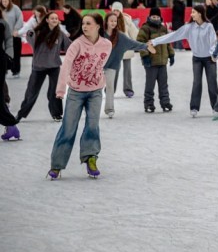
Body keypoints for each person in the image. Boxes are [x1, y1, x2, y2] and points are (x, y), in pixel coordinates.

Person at [47, 13, 112, 180]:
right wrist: (61, 90)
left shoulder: (107, 44)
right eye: (83, 23)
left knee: (92, 126)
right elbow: (66, 66)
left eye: (88, 23)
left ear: (98, 26)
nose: (84, 26)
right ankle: (56, 165)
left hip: (95, 92)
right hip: (76, 92)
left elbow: (101, 65)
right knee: (68, 128)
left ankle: (91, 159)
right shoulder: (76, 44)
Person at [148, 5, 218, 118]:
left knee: (212, 83)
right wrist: (155, 41)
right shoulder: (189, 27)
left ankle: (216, 108)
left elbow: (213, 42)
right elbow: (173, 35)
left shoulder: (209, 27)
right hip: (197, 59)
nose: (191, 14)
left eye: (194, 12)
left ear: (200, 13)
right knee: (197, 83)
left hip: (210, 59)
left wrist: (213, 54)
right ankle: (194, 107)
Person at [16, 12, 72, 124]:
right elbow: (29, 37)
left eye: (56, 18)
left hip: (54, 66)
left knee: (55, 92)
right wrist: (31, 31)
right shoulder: (37, 32)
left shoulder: (60, 34)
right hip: (39, 66)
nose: (55, 20)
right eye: (52, 18)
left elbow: (69, 46)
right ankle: (20, 114)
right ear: (47, 20)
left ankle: (56, 114)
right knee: (31, 92)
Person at [101, 12, 153, 119]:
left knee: (110, 87)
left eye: (115, 21)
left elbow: (133, 43)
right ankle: (89, 108)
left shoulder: (120, 36)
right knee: (93, 88)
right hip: (97, 66)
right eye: (111, 21)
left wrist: (146, 46)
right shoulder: (100, 34)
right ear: (106, 21)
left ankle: (109, 109)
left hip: (112, 66)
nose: (113, 23)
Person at [136, 7, 175, 114]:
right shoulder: (145, 28)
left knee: (163, 84)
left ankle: (165, 102)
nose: (155, 18)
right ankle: (149, 103)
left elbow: (168, 42)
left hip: (162, 62)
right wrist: (145, 56)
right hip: (151, 62)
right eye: (153, 16)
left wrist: (171, 54)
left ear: (160, 17)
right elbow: (141, 43)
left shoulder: (163, 28)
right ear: (149, 17)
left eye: (157, 17)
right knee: (150, 84)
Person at [110, 2, 138, 99]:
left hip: (126, 48)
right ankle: (110, 90)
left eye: (117, 10)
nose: (116, 12)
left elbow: (134, 32)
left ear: (121, 11)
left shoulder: (127, 20)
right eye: (114, 10)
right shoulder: (109, 20)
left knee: (127, 71)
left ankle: (128, 89)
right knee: (114, 70)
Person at [0, 13, 19, 141]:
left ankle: (11, 124)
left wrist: (9, 56)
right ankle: (11, 125)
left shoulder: (2, 23)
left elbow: (9, 40)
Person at [0, 0, 23, 78]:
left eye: (6, 1)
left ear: (9, 1)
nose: (4, 3)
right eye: (3, 2)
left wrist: (16, 29)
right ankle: (4, 69)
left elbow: (20, 19)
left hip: (14, 35)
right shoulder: (1, 9)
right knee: (4, 53)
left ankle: (16, 70)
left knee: (16, 54)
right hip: (4, 35)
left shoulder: (15, 8)